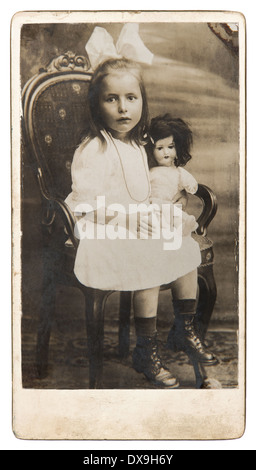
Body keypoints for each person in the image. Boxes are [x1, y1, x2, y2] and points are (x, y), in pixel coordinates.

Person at [65, 29, 215, 389]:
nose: (122, 108)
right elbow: (87, 205)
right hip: (102, 226)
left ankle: (183, 327)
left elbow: (144, 190)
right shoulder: (93, 149)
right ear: (95, 105)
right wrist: (129, 218)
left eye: (131, 98)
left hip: (135, 221)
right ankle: (145, 349)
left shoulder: (137, 147)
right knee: (149, 252)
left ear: (142, 103)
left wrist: (164, 208)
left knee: (180, 242)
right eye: (111, 99)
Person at [146, 114, 217, 364]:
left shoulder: (177, 173)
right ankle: (150, 345)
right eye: (159, 147)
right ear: (150, 149)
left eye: (171, 146)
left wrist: (186, 194)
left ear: (178, 148)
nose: (166, 153)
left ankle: (184, 330)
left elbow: (194, 187)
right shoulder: (145, 171)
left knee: (184, 245)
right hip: (149, 217)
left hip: (172, 216)